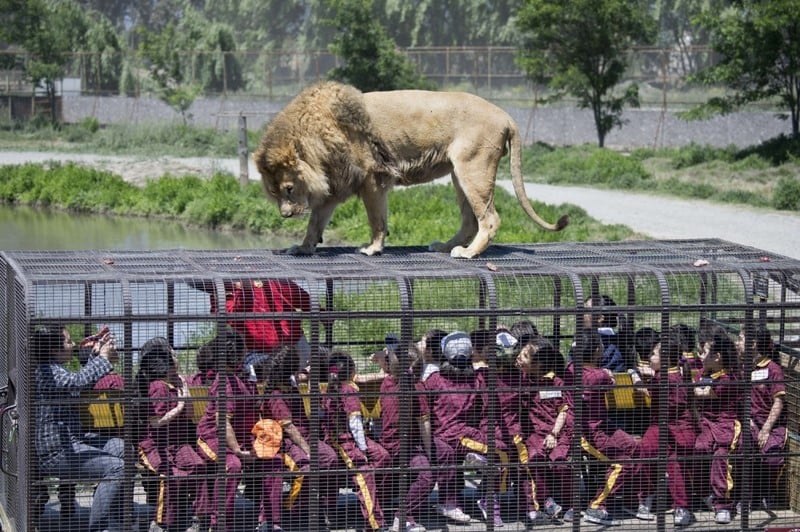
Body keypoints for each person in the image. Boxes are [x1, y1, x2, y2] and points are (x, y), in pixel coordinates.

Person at [33, 324, 126, 532]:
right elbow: (76, 383)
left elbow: (78, 385)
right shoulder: (45, 371)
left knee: (123, 449)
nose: (73, 344)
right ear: (53, 350)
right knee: (117, 468)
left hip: (75, 440)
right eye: (67, 341)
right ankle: (99, 528)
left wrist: (96, 354)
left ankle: (116, 519)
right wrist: (103, 358)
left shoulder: (56, 369)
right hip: (56, 452)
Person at [194, 327, 284, 532]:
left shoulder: (245, 375)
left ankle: (269, 522)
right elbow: (221, 422)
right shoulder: (225, 382)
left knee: (274, 461)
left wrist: (261, 442)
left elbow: (256, 411)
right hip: (212, 439)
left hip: (243, 437)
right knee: (231, 465)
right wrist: (238, 451)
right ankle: (219, 525)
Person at [261, 346, 339, 529]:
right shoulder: (275, 394)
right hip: (287, 442)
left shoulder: (291, 384)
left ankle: (324, 507)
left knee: (331, 459)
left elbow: (303, 376)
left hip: (306, 436)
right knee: (305, 467)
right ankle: (291, 508)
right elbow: (289, 428)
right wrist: (308, 449)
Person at [134, 337, 206, 532]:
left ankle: (200, 517)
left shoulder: (176, 383)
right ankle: (161, 523)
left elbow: (190, 415)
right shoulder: (157, 386)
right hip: (154, 445)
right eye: (173, 355)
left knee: (198, 466)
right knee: (170, 474)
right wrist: (179, 407)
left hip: (178, 443)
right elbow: (155, 423)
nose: (177, 358)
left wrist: (186, 392)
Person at [576, 331, 641, 526]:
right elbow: (608, 383)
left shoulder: (572, 368)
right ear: (597, 351)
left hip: (603, 424)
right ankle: (597, 506)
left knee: (635, 448)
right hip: (587, 432)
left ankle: (628, 500)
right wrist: (606, 374)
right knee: (622, 463)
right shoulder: (598, 375)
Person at [321, 351, 390, 531]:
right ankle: (374, 523)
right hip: (343, 440)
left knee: (383, 456)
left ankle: (372, 500)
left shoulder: (336, 387)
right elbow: (355, 423)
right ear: (351, 370)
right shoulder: (346, 390)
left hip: (356, 437)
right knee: (364, 472)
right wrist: (364, 449)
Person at [637, 335, 696, 527]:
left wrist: (637, 378)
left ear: (666, 358)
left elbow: (648, 393)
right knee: (646, 449)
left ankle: (682, 506)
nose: (649, 357)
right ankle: (648, 494)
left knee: (674, 462)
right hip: (661, 427)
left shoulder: (665, 378)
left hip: (677, 428)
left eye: (653, 354)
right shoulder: (666, 375)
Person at [370, 344, 430, 532]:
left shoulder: (387, 382)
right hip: (404, 447)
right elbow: (424, 423)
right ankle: (402, 517)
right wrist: (430, 453)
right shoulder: (416, 388)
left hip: (386, 442)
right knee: (427, 473)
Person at [513, 336, 573, 525]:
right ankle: (545, 500)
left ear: (538, 364)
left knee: (561, 463)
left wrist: (554, 434)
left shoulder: (556, 383)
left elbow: (563, 411)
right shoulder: (522, 379)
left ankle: (571, 503)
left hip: (556, 433)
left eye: (524, 356)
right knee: (533, 460)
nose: (519, 358)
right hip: (533, 434)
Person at [421, 332, 478, 526]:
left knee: (450, 450)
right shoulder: (475, 380)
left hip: (440, 433)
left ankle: (452, 501)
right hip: (461, 434)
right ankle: (451, 501)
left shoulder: (434, 379)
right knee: (451, 451)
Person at [693, 328, 741, 525]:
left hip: (726, 426)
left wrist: (679, 381)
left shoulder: (728, 379)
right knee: (698, 448)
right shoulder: (705, 372)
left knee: (721, 456)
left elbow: (700, 393)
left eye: (703, 352)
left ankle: (723, 504)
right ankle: (705, 493)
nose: (700, 355)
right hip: (706, 424)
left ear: (718, 357)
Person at [738, 325, 787, 509]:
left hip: (770, 426)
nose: (738, 343)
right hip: (748, 423)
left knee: (772, 456)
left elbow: (778, 402)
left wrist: (766, 429)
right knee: (744, 448)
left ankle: (768, 492)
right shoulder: (742, 368)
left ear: (753, 344)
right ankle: (746, 498)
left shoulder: (773, 369)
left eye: (741, 339)